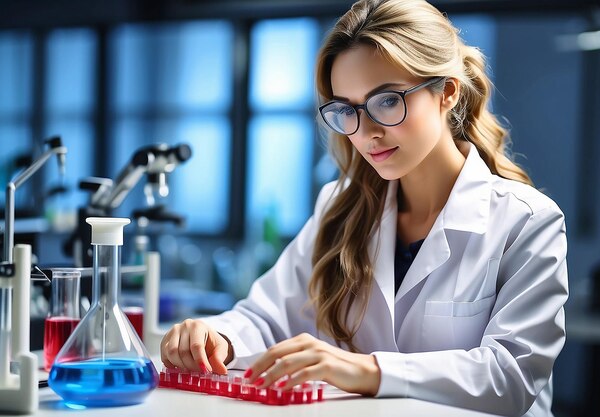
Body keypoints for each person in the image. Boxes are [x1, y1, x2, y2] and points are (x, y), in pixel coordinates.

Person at [160, 0, 568, 415]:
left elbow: (511, 376)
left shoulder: (527, 220)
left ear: (447, 92)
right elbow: (267, 317)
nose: (367, 132)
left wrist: (368, 370)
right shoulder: (341, 206)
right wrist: (217, 336)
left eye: (387, 101)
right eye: (346, 110)